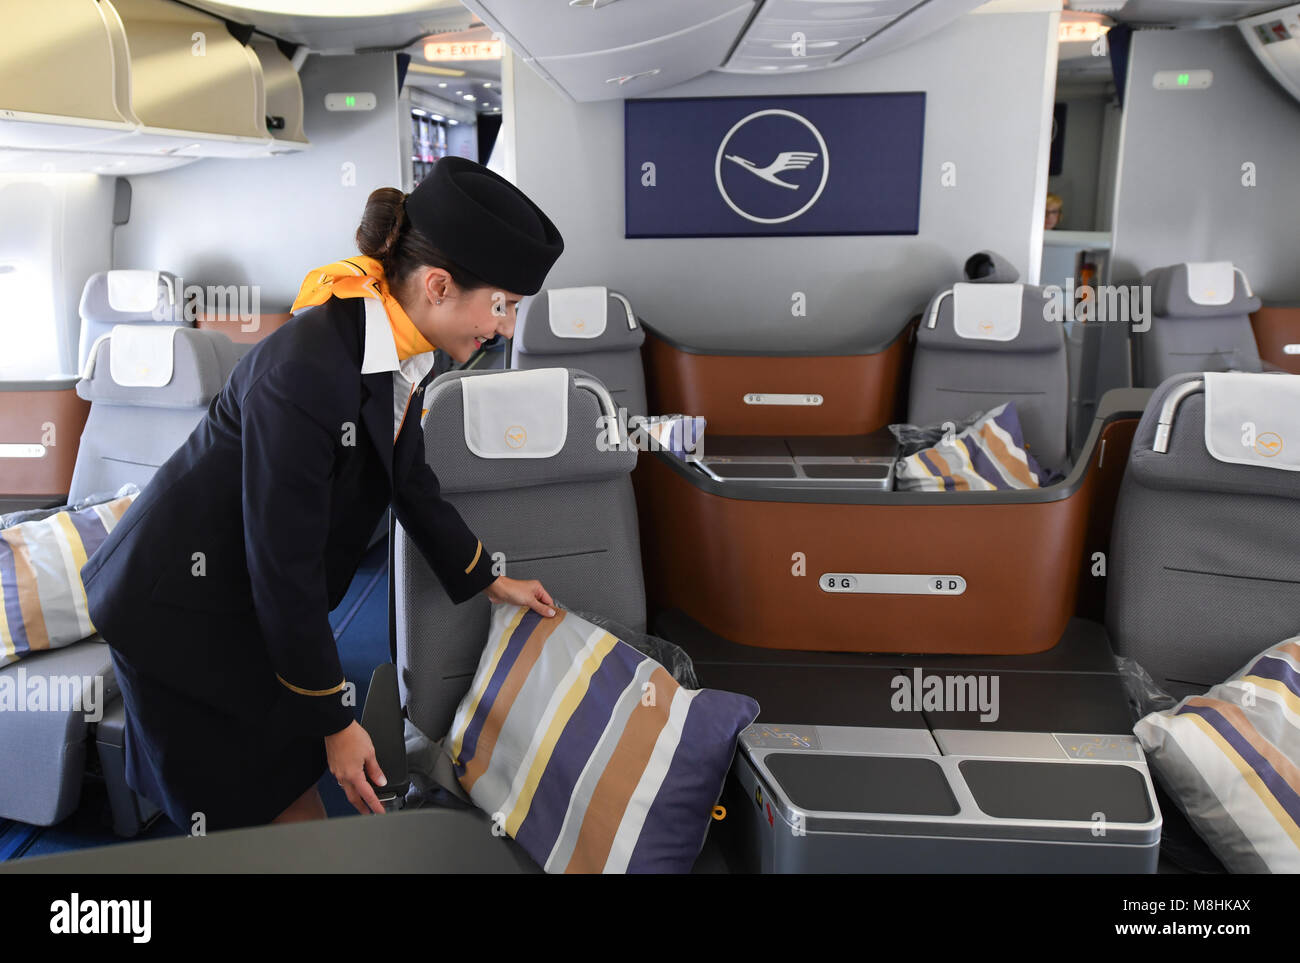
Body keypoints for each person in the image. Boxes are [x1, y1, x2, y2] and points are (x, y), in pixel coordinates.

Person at [81, 157, 565, 830]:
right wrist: (336, 718)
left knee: (272, 774)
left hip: (241, 597)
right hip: (179, 609)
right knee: (261, 805)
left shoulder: (392, 343)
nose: (506, 327)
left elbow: (409, 478)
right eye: (502, 305)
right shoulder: (306, 371)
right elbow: (284, 568)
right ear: (439, 285)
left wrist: (487, 577)